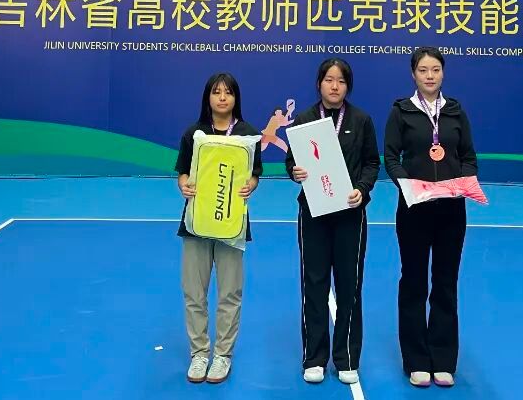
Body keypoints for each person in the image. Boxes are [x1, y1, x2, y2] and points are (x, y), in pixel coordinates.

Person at [383, 46, 477, 389]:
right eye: (423, 70)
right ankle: (416, 360)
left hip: (451, 211)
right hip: (414, 210)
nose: (430, 76)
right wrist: (409, 185)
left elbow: (468, 157)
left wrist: (462, 182)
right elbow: (390, 157)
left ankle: (443, 359)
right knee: (414, 282)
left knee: (445, 282)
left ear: (443, 72)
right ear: (413, 74)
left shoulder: (455, 111)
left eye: (435, 69)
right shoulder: (401, 111)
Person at [285, 58, 380, 386]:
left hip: (350, 214)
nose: (334, 85)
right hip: (313, 214)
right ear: (319, 84)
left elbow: (371, 163)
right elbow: (291, 161)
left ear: (347, 85)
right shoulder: (305, 120)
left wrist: (362, 189)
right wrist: (295, 172)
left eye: (340, 80)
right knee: (314, 284)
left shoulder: (361, 120)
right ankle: (314, 358)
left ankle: (347, 358)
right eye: (329, 79)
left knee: (349, 285)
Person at [174, 72, 262, 385]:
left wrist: (251, 185)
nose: (222, 98)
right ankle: (199, 353)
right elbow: (183, 172)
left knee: (230, 293)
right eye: (216, 92)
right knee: (194, 292)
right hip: (196, 224)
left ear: (236, 98)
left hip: (231, 225)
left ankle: (223, 354)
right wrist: (184, 185)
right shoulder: (194, 133)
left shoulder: (249, 134)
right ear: (207, 97)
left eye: (228, 92)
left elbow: (254, 174)